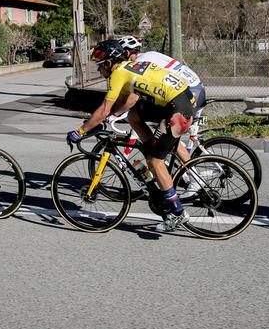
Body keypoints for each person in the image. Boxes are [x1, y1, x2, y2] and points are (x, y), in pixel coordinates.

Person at [66, 39, 194, 232]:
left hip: (178, 110)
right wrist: (110, 116)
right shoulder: (131, 66)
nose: (99, 70)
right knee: (135, 116)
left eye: (100, 66)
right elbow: (127, 101)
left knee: (154, 162)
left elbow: (104, 108)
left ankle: (177, 212)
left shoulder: (118, 74)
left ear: (109, 63)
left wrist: (81, 131)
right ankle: (153, 149)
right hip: (181, 100)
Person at [117, 35, 206, 167]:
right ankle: (166, 159)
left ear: (127, 53)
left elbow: (135, 95)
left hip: (189, 94)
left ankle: (193, 177)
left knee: (168, 134)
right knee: (165, 133)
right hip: (196, 88)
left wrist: (115, 113)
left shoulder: (138, 64)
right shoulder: (149, 54)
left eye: (121, 56)